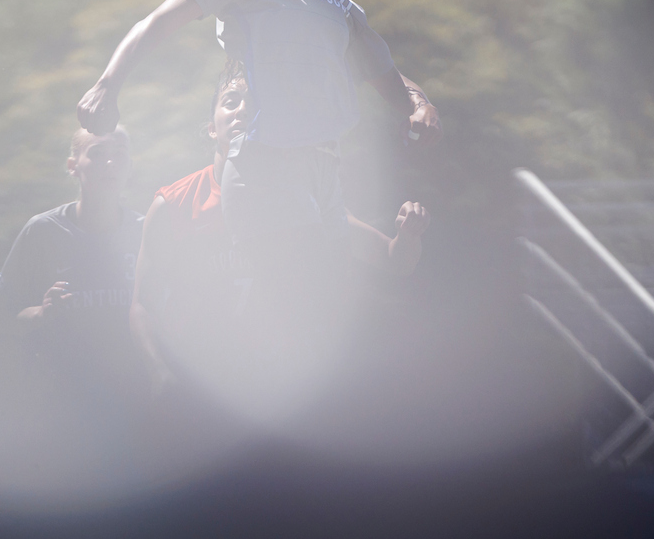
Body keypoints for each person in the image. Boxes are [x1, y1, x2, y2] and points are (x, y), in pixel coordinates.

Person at [76, 0, 440, 256]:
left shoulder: (340, 4)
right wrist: (107, 85)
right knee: (296, 281)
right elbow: (158, 22)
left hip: (326, 172)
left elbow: (388, 76)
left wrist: (420, 105)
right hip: (266, 161)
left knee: (319, 291)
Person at [130, 60, 430, 401]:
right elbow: (142, 305)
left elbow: (394, 260)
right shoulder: (173, 204)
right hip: (196, 384)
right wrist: (160, 374)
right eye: (230, 101)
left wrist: (408, 235)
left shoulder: (302, 198)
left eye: (255, 102)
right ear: (211, 127)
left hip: (275, 388)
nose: (242, 110)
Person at [0, 126, 145, 405]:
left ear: (130, 167)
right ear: (73, 166)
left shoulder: (145, 231)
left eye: (119, 154)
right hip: (64, 402)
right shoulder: (43, 231)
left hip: (136, 400)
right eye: (97, 153)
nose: (109, 162)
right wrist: (41, 314)